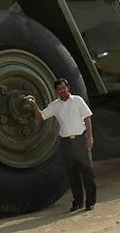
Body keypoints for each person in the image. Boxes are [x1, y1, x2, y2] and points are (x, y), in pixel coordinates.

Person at [28, 78, 96, 212]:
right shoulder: (55, 105)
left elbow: (87, 117)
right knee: (72, 174)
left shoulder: (77, 100)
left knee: (87, 172)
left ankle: (90, 202)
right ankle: (77, 202)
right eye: (59, 89)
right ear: (56, 91)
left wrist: (90, 136)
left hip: (80, 140)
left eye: (64, 88)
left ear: (68, 87)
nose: (62, 90)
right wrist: (33, 104)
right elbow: (41, 116)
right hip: (66, 142)